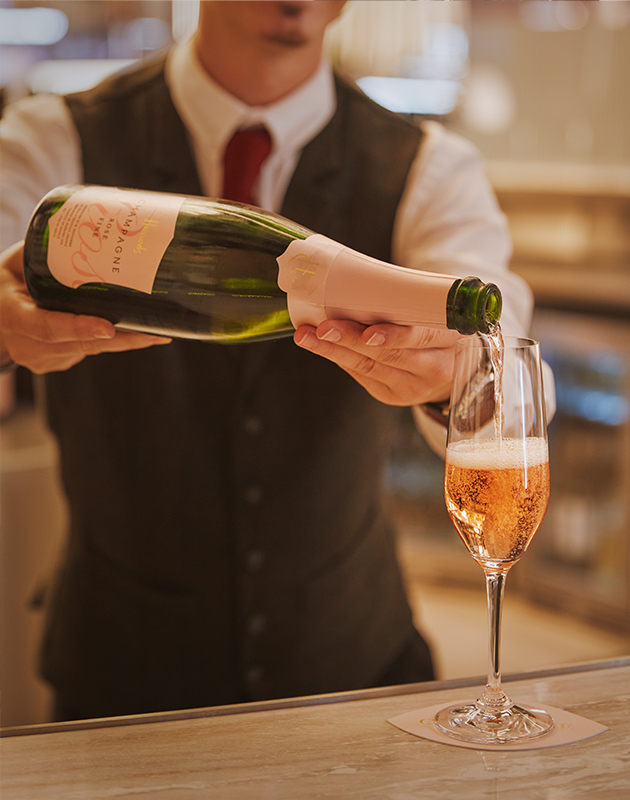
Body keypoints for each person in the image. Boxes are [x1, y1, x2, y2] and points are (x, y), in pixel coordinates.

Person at [0, 1, 546, 721]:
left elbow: (495, 314)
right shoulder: (50, 142)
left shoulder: (428, 167)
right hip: (121, 685)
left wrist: (457, 378)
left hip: (356, 672)